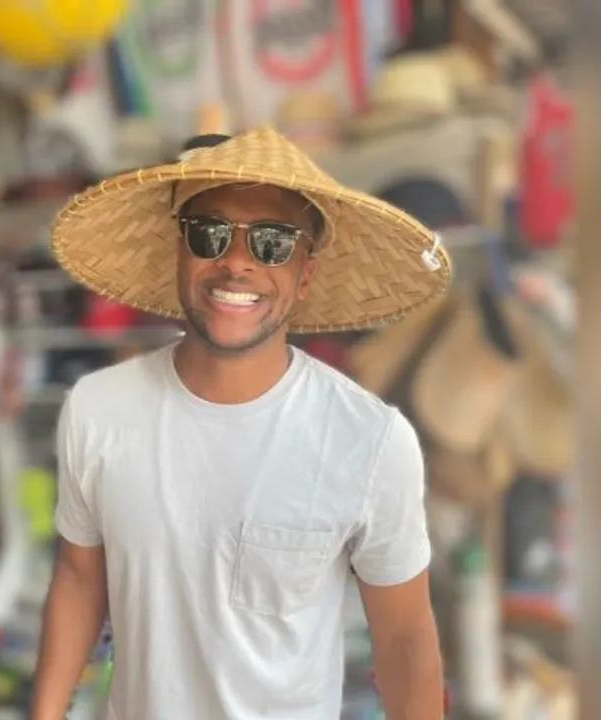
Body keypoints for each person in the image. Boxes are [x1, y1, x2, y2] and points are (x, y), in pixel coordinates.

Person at [31, 128, 451, 719]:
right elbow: (79, 581)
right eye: (209, 233)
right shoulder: (98, 410)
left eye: (273, 242)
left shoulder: (370, 441)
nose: (235, 261)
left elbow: (404, 640)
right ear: (180, 252)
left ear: (305, 276)